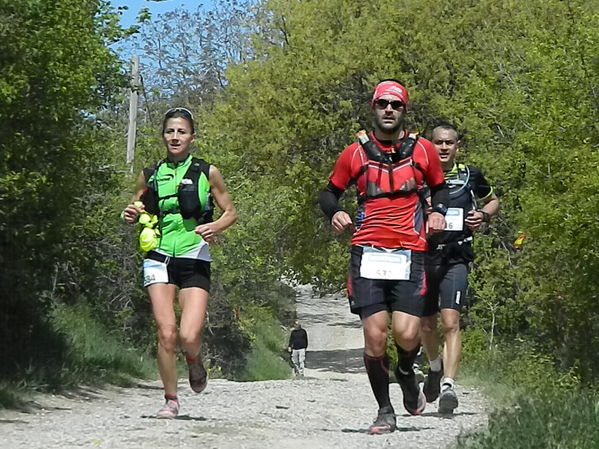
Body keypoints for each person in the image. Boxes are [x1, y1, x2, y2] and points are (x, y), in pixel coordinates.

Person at [318, 80, 449, 434]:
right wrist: (334, 213)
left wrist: (437, 212)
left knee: (407, 334)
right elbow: (329, 193)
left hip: (410, 252)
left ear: (404, 110)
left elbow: (439, 188)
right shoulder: (354, 153)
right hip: (367, 253)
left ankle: (406, 370)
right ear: (373, 108)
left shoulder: (423, 150)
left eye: (395, 104)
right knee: (375, 337)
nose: (388, 109)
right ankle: (385, 410)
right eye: (382, 104)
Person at [122, 107, 237, 419]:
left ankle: (194, 359)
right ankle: (171, 399)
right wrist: (129, 214)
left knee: (187, 336)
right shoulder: (150, 174)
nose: (175, 137)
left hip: (194, 255)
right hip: (158, 255)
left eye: (181, 131)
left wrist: (215, 227)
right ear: (163, 136)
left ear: (192, 137)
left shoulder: (206, 172)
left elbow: (230, 211)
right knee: (166, 332)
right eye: (170, 131)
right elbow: (132, 208)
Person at [421, 122, 499, 414]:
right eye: (438, 142)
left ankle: (448, 386)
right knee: (425, 325)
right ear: (430, 145)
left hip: (456, 257)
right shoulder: (418, 176)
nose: (443, 147)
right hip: (423, 257)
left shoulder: (470, 175)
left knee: (451, 322)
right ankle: (434, 367)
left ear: (457, 147)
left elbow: (493, 201)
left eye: (449, 143)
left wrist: (482, 215)